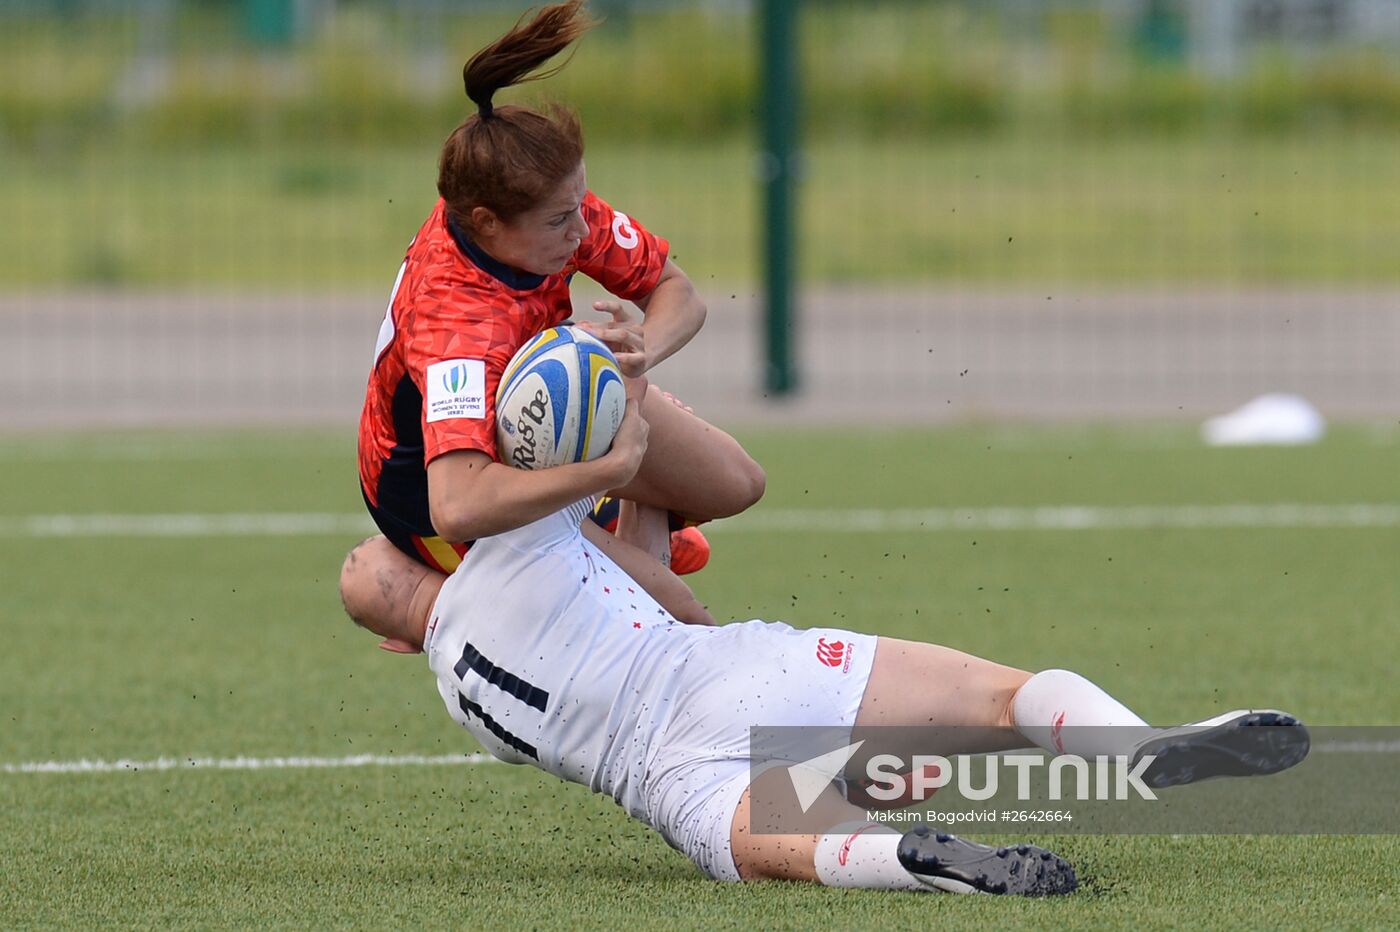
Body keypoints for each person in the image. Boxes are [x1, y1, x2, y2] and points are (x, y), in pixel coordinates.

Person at [338, 386, 1311, 896]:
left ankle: (909, 854)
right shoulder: (510, 537)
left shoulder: (462, 695)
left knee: (809, 845)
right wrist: (621, 435)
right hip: (720, 679)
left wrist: (626, 522)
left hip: (669, 786)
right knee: (1004, 699)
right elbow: (667, 598)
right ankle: (1128, 746)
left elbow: (637, 609)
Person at [356, 0, 764, 584]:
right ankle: (411, 593)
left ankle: (603, 520)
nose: (582, 233)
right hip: (433, 503)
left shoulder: (549, 204)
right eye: (559, 220)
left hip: (535, 420)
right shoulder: (457, 322)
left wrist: (639, 352)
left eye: (579, 205)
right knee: (665, 607)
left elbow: (678, 293)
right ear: (487, 222)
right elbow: (456, 505)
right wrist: (610, 470)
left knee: (737, 483)